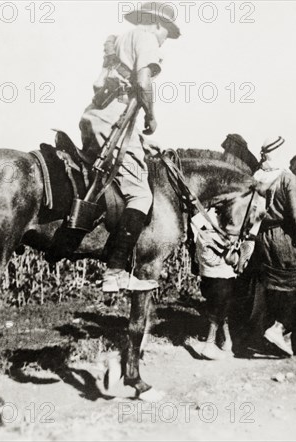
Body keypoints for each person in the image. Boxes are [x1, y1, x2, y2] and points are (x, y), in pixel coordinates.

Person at [79, 2, 181, 292]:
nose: (165, 40)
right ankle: (114, 271)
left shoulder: (120, 41)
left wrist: (139, 139)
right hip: (113, 119)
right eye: (167, 33)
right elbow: (143, 80)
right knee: (140, 194)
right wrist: (151, 115)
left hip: (95, 116)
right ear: (158, 25)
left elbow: (100, 84)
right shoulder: (147, 38)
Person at [251, 136, 296, 356]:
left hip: (261, 236)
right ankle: (279, 328)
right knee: (295, 283)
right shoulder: (287, 177)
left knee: (270, 285)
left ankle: (267, 336)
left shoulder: (257, 176)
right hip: (283, 236)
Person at [190, 208, 237, 360]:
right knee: (221, 291)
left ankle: (225, 338)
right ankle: (210, 343)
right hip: (213, 242)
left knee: (222, 293)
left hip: (209, 241)